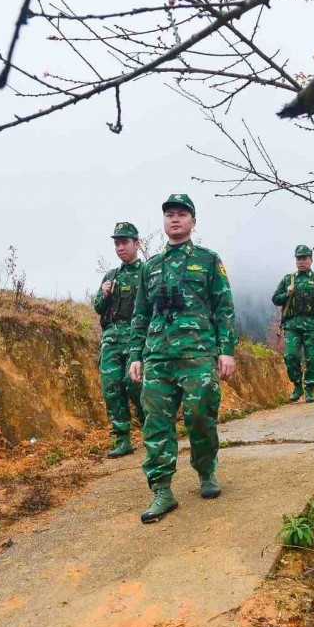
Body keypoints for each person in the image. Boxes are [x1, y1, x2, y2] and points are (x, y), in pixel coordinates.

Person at [128, 194, 238, 523]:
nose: (174, 220)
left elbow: (224, 308)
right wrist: (136, 354)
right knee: (156, 424)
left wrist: (227, 350)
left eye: (181, 214)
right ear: (164, 222)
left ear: (193, 221)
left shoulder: (207, 260)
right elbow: (140, 314)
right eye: (169, 215)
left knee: (200, 417)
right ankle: (162, 490)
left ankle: (206, 471)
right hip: (158, 357)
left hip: (198, 354)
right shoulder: (150, 267)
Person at [93, 221, 146, 457]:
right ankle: (122, 439)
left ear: (137, 243)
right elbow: (98, 307)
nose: (120, 247)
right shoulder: (111, 276)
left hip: (137, 338)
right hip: (111, 340)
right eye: (117, 243)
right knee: (111, 388)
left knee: (134, 385)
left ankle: (152, 430)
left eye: (124, 242)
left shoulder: (147, 272)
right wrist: (104, 293)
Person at [271, 245, 314, 404]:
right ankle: (297, 385)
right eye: (298, 258)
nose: (301, 261)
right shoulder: (288, 279)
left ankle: (310, 388)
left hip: (312, 325)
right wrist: (287, 293)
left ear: (311, 260)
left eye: (304, 258)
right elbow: (275, 299)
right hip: (292, 325)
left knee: (312, 359)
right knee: (290, 356)